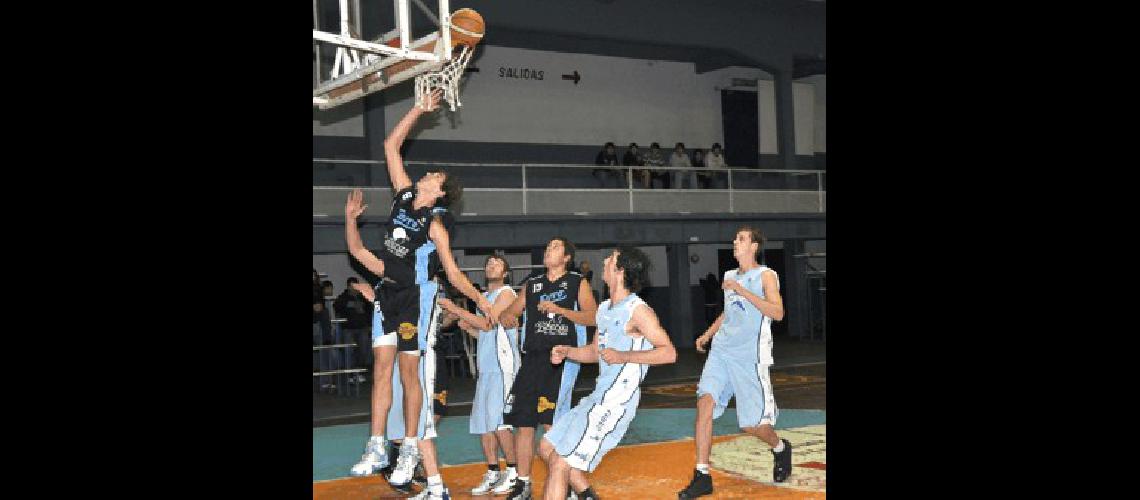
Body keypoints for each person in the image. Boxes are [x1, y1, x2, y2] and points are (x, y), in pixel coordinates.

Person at [343, 89, 494, 500]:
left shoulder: (436, 225)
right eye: (427, 174)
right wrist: (419, 110)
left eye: (434, 177)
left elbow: (452, 272)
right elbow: (391, 145)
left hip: (416, 297)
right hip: (388, 293)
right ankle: (377, 445)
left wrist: (478, 298)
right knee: (381, 368)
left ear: (441, 193)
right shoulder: (404, 195)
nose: (427, 175)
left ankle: (409, 447)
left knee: (409, 375)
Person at [539, 246, 676, 500]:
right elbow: (594, 352)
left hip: (615, 402)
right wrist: (567, 351)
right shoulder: (603, 309)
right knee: (548, 446)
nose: (603, 261)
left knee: (560, 463)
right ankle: (587, 495)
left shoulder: (638, 311)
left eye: (610, 259)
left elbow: (669, 353)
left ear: (620, 270)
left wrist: (624, 356)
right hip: (597, 396)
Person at [678, 226, 791, 499]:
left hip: (749, 357)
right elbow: (728, 314)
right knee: (704, 403)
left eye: (741, 239)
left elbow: (777, 312)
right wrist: (706, 334)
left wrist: (742, 290)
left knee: (751, 425)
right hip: (721, 352)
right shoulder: (729, 276)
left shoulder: (766, 275)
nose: (735, 242)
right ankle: (702, 474)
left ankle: (779, 448)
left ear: (753, 246)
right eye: (735, 238)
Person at [496, 237, 597, 500]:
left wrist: (560, 310)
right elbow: (509, 313)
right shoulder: (533, 284)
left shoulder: (576, 282)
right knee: (524, 423)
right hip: (532, 359)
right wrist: (507, 317)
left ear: (566, 258)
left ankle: (574, 487)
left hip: (561, 359)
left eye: (554, 248)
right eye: (547, 247)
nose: (547, 250)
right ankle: (523, 482)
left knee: (551, 426)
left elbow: (593, 316)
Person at [438, 253, 522, 495]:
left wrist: (458, 311)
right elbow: (486, 334)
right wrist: (467, 327)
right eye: (488, 263)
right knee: (484, 425)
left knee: (500, 424)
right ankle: (494, 471)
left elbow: (488, 324)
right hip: (487, 368)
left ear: (505, 273)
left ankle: (515, 472)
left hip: (504, 368)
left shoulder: (507, 293)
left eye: (497, 263)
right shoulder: (483, 297)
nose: (491, 266)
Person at [335, 277, 374, 384]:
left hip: (362, 328)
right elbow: (337, 306)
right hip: (348, 329)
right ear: (348, 287)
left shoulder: (363, 297)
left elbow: (370, 311)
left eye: (355, 286)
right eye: (351, 286)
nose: (353, 289)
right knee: (349, 351)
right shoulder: (343, 298)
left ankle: (358, 372)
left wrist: (369, 325)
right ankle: (350, 374)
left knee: (363, 350)